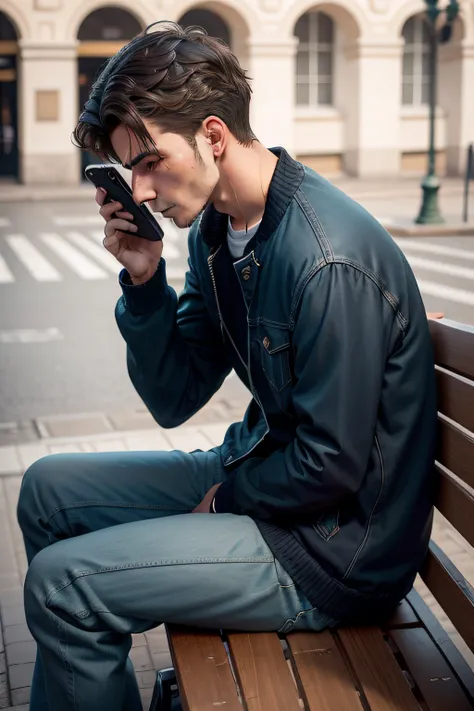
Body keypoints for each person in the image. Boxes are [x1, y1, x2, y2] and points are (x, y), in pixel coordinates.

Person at [17, 21, 438, 711]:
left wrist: (231, 499)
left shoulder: (326, 259)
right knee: (47, 490)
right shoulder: (218, 230)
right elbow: (175, 396)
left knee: (66, 586)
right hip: (265, 480)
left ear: (213, 135)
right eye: (130, 170)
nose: (142, 190)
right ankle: (86, 679)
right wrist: (144, 283)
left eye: (150, 161)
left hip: (331, 552)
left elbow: (333, 463)